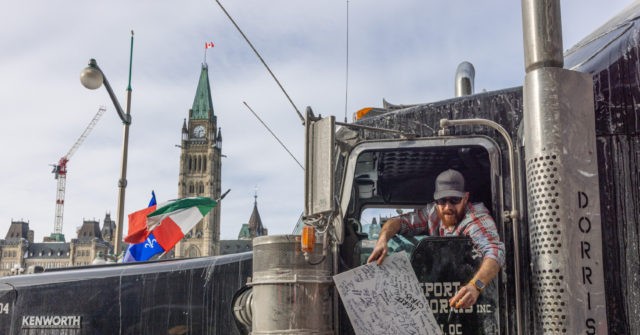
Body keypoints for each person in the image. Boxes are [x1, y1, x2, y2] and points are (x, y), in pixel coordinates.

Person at [367, 169, 505, 309]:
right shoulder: (433, 212)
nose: (447, 207)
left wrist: (476, 286)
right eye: (442, 200)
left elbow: (495, 252)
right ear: (435, 200)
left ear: (465, 198)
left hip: (474, 297)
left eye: (454, 200)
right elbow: (399, 222)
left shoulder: (475, 219)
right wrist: (383, 239)